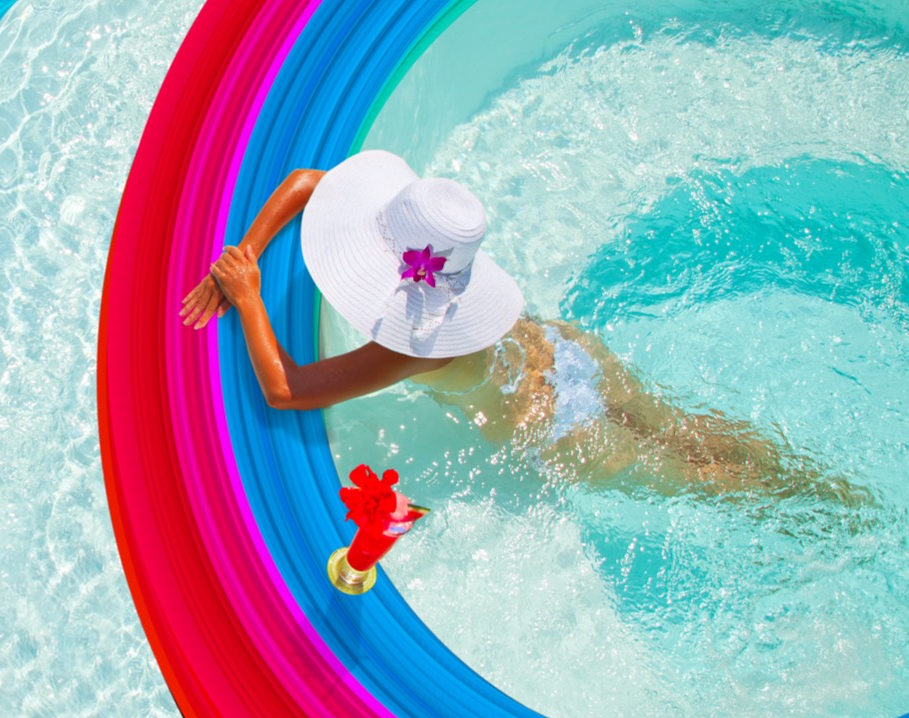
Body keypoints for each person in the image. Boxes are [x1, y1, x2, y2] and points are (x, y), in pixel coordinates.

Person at [180, 150, 866, 504]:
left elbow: (286, 389)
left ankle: (823, 519)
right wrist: (244, 248)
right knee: (685, 430)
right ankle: (823, 485)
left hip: (560, 428)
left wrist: (247, 292)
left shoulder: (411, 344)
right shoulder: (447, 260)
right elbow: (306, 182)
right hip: (569, 354)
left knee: (706, 483)